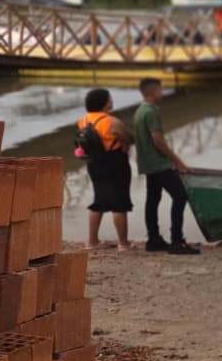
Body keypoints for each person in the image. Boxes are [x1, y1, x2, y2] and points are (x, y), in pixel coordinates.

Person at [133, 77, 200, 255]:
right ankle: (176, 241)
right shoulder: (152, 112)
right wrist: (178, 162)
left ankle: (153, 239)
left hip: (147, 164)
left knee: (153, 199)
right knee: (181, 195)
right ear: (153, 92)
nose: (162, 93)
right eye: (160, 90)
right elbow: (158, 141)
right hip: (158, 164)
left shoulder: (139, 111)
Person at [78, 88, 134, 251]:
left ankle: (92, 241)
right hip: (115, 163)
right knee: (119, 203)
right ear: (104, 103)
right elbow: (128, 138)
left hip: (94, 163)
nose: (111, 101)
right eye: (109, 99)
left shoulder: (83, 120)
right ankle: (123, 243)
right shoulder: (112, 122)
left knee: (99, 200)